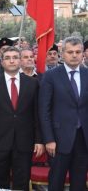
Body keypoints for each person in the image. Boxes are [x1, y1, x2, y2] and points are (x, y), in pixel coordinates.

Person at [0, 47, 44, 190]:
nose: (12, 60)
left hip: (24, 142)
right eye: (8, 58)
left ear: (20, 61)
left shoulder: (33, 83)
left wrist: (39, 140)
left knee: (22, 182)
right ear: (2, 62)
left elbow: (37, 114)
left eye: (15, 57)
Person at [39, 36, 88, 191]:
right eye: (70, 52)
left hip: (83, 139)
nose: (74, 55)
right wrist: (49, 139)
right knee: (56, 182)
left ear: (83, 54)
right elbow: (44, 110)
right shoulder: (51, 76)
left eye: (78, 52)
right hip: (58, 140)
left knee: (79, 182)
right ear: (62, 53)